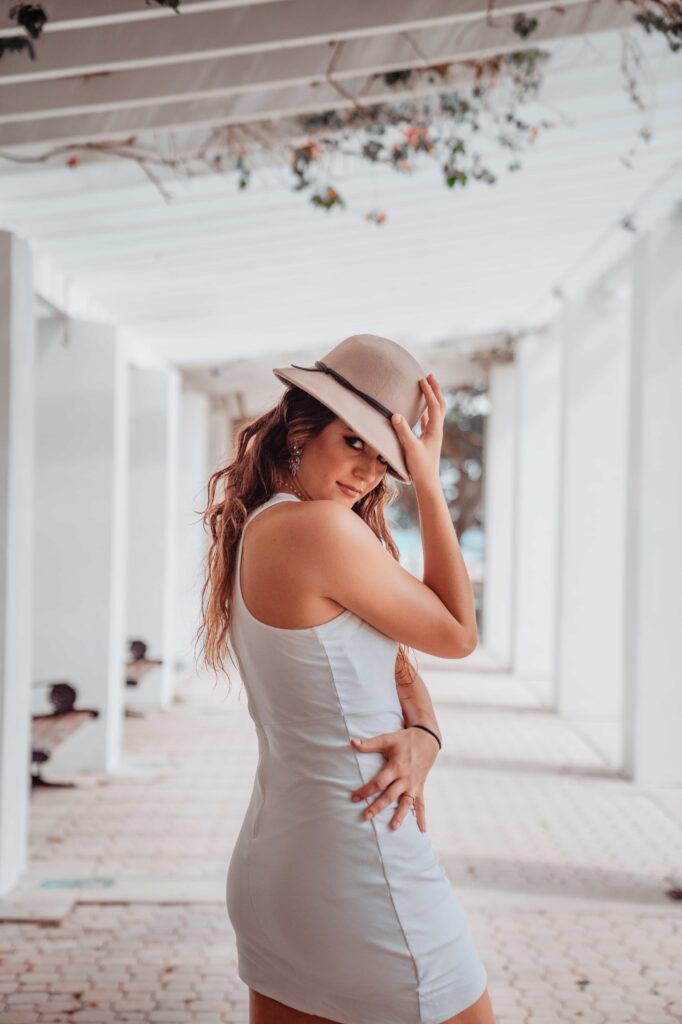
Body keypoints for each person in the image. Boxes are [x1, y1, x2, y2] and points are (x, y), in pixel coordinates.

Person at [198, 334, 496, 1024]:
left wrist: (421, 730)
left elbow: (393, 665)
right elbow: (456, 632)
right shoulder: (320, 531)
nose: (369, 472)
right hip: (361, 867)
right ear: (301, 431)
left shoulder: (266, 529)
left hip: (279, 866)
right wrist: (428, 478)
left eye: (386, 457)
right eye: (355, 441)